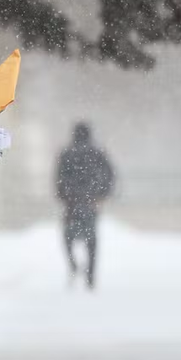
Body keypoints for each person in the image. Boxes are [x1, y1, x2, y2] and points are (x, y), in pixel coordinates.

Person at [54, 121, 115, 289]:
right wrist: (101, 195)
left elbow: (58, 178)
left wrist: (64, 197)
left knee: (68, 237)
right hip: (91, 203)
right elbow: (110, 175)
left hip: (71, 204)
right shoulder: (98, 153)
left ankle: (73, 264)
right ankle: (90, 276)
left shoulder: (66, 153)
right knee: (92, 240)